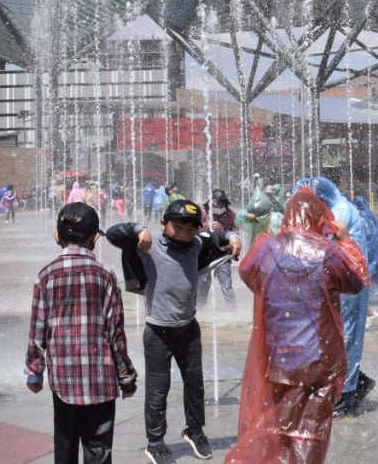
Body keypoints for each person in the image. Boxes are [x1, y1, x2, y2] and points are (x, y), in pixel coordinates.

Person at [224, 187, 367, 464]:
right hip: (319, 361)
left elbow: (247, 272)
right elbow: (356, 280)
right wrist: (346, 241)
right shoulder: (327, 252)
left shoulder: (266, 248)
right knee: (310, 432)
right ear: (319, 217)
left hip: (279, 357)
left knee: (281, 429)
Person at [105, 198, 242, 464]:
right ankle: (155, 441)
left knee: (195, 386)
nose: (183, 234)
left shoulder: (197, 244)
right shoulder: (149, 244)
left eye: (190, 229)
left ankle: (195, 431)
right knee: (158, 389)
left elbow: (217, 236)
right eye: (177, 227)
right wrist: (138, 230)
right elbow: (112, 234)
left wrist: (232, 237)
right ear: (163, 224)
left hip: (188, 330)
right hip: (158, 332)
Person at [26, 202, 138, 464]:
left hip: (63, 380)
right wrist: (126, 376)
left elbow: (38, 329)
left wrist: (34, 371)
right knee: (99, 451)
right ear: (95, 238)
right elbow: (116, 332)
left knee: (65, 446)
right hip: (101, 379)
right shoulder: (106, 276)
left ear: (57, 236)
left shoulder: (46, 276)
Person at [292, 176, 375, 418]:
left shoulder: (339, 212)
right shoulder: (335, 207)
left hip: (348, 284)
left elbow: (324, 245)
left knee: (346, 336)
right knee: (334, 337)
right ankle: (355, 382)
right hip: (341, 282)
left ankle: (348, 393)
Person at [198, 190, 237, 310]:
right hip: (206, 254)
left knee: (226, 284)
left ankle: (232, 310)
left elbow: (235, 231)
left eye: (222, 204)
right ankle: (199, 309)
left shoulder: (230, 214)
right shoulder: (202, 213)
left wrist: (233, 241)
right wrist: (207, 227)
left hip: (223, 255)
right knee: (203, 284)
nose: (220, 206)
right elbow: (193, 229)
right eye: (217, 203)